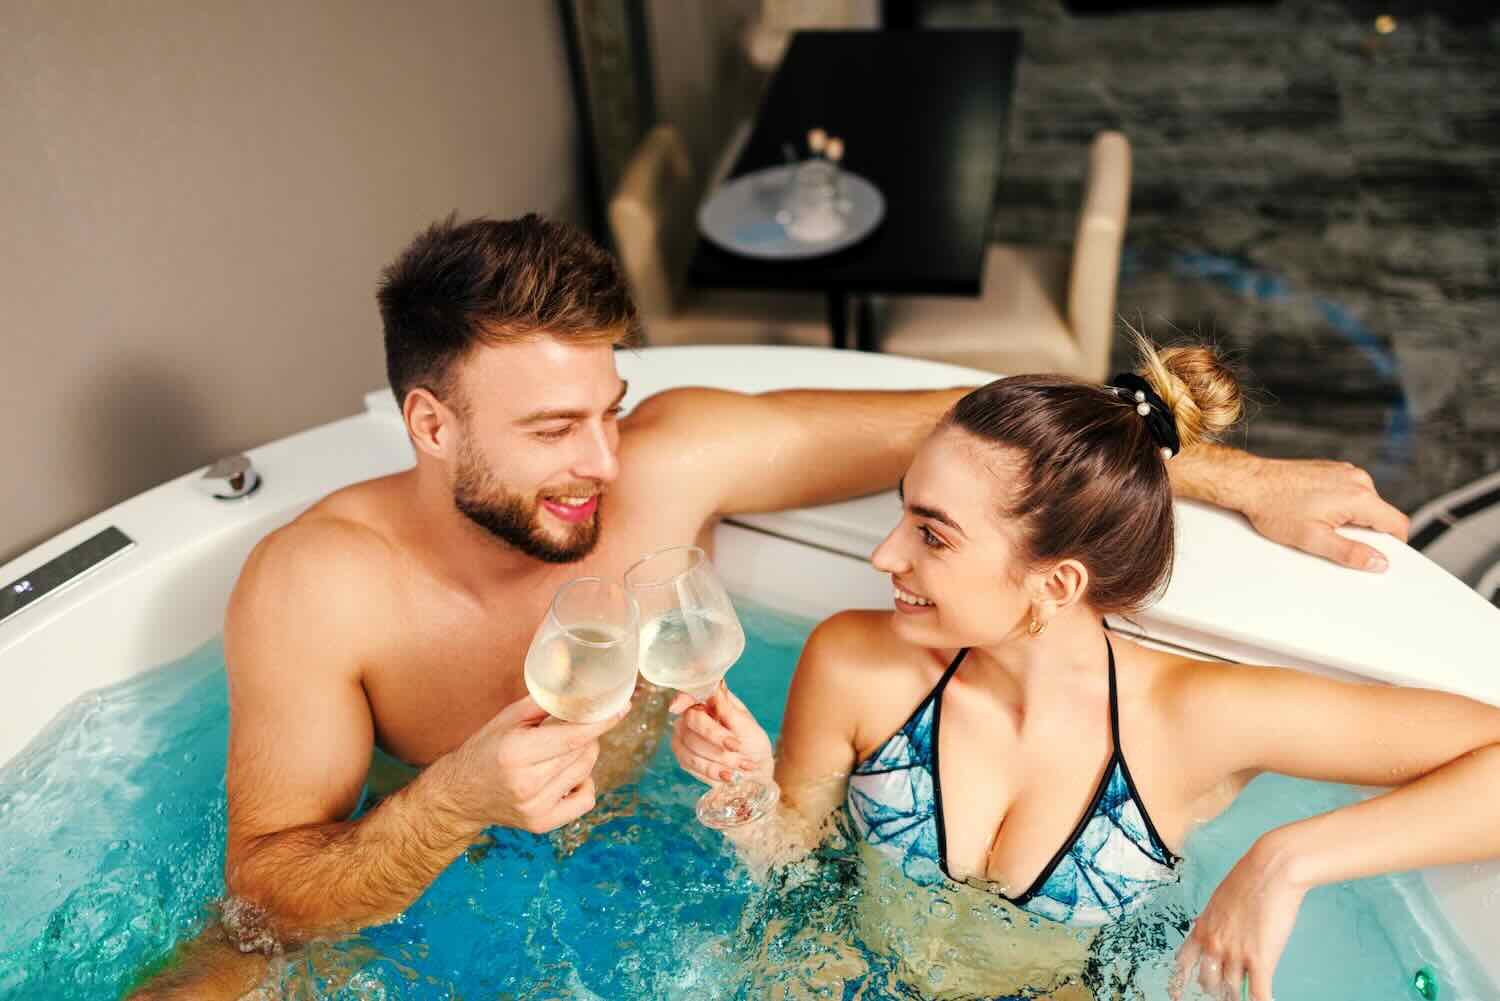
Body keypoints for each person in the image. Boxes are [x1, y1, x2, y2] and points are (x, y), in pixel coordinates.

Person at [132, 214, 1407, 999]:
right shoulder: (316, 585)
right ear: (430, 423)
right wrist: (457, 796)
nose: (603, 458)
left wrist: (1237, 476)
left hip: (677, 871)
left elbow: (996, 443)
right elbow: (269, 897)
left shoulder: (669, 460)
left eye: (611, 406)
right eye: (553, 429)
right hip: (431, 891)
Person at [670, 339, 1500, 1001]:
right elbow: (796, 876)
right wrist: (747, 796)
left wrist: (1287, 858)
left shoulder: (1190, 722)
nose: (886, 553)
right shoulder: (856, 662)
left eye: (933, 532)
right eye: (903, 512)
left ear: (1056, 583)